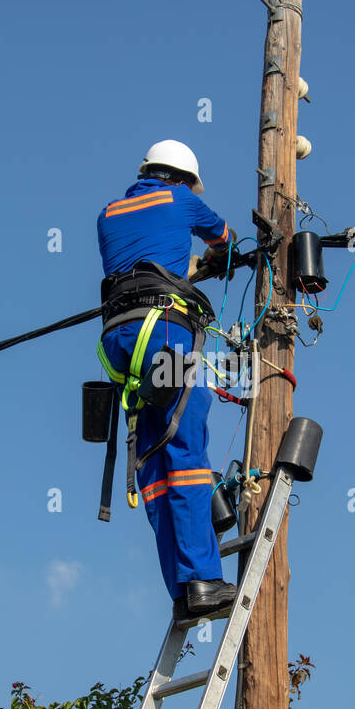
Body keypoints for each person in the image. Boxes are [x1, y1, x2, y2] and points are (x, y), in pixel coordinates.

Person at [96, 140, 237, 621]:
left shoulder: (109, 212)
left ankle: (181, 592)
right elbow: (224, 239)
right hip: (166, 337)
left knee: (154, 465)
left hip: (119, 343)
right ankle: (204, 580)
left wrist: (193, 270)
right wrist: (221, 256)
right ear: (181, 177)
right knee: (188, 456)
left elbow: (147, 263)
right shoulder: (181, 199)